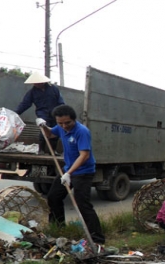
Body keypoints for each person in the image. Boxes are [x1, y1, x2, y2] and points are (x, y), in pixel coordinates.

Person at [37, 105, 105, 244]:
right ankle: (58, 228)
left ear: (74, 119)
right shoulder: (61, 128)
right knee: (53, 197)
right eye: (60, 123)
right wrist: (43, 125)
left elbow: (84, 155)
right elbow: (50, 134)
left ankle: (97, 239)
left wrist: (69, 173)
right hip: (68, 170)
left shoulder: (82, 131)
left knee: (82, 204)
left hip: (83, 172)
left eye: (67, 123)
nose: (64, 126)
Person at [14, 71, 65, 154]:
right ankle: (41, 149)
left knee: (55, 132)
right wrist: (16, 112)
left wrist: (61, 111)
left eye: (38, 83)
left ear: (42, 82)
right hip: (42, 114)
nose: (36, 84)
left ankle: (52, 151)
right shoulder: (32, 92)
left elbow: (61, 101)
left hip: (55, 113)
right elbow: (25, 103)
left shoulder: (54, 89)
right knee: (43, 131)